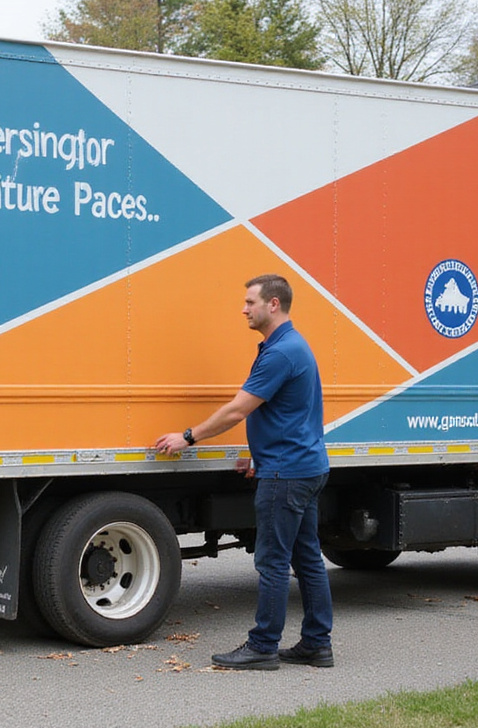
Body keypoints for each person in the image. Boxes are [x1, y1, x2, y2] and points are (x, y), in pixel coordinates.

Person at [153, 274, 333, 671]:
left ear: (273, 304)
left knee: (271, 562)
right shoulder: (290, 347)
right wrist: (259, 454)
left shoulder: (282, 352)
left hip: (287, 474)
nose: (243, 308)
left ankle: (263, 646)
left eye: (250, 302)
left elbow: (238, 409)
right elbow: (291, 414)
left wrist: (189, 436)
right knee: (307, 560)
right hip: (304, 466)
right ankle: (317, 644)